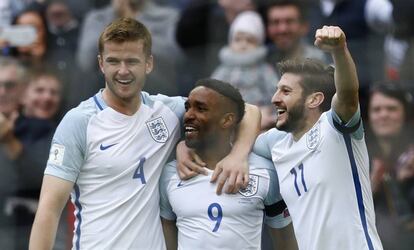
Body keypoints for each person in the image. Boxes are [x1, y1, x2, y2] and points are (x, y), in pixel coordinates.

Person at [29, 17, 260, 249]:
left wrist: (238, 155)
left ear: (149, 63)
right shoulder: (79, 122)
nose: (123, 71)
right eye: (113, 61)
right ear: (101, 64)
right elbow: (49, 209)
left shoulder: (167, 112)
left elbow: (248, 110)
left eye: (132, 61)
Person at [253, 26, 383, 249]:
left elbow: (348, 95)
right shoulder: (275, 144)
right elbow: (237, 125)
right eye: (277, 90)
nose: (274, 98)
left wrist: (339, 51)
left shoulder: (335, 128)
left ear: (314, 100)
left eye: (285, 91)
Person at [160, 78, 297, 250]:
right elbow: (167, 235)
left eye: (201, 109)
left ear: (227, 120)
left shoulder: (264, 171)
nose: (188, 115)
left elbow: (286, 242)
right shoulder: (171, 173)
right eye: (188, 108)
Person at [211, 11, 278, 131]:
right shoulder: (224, 69)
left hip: (257, 118)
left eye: (249, 40)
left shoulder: (263, 69)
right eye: (238, 39)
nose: (243, 44)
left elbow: (275, 92)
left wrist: (268, 111)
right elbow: (212, 92)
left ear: (259, 43)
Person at [366, 83, 414, 250]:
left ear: (405, 114)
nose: (383, 115)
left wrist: (405, 182)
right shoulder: (359, 156)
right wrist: (372, 186)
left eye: (392, 109)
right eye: (376, 110)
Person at [264, 0, 327, 69]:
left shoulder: (317, 61)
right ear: (267, 28)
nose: (282, 29)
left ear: (304, 27)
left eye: (289, 21)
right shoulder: (262, 59)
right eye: (275, 22)